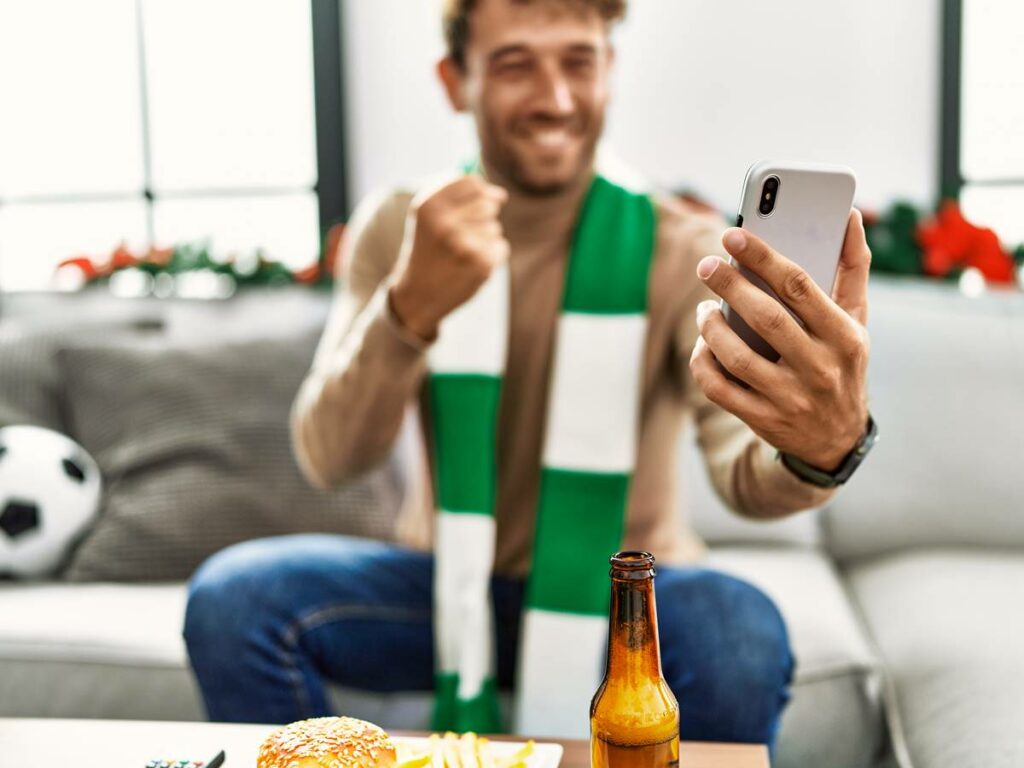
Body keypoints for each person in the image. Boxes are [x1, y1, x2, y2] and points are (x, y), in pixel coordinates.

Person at [184, 0, 872, 749]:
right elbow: (330, 456)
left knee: (739, 626)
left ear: (609, 71)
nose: (557, 98)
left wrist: (823, 446)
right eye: (517, 65)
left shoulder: (682, 248)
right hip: (448, 590)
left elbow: (743, 475)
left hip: (629, 602)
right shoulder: (407, 227)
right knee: (234, 600)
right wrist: (409, 308)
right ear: (456, 81)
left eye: (579, 61)